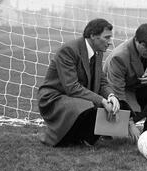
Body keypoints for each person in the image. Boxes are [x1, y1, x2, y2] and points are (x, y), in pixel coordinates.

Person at [38, 18, 121, 147]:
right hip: (54, 97)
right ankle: (64, 138)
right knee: (86, 105)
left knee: (118, 104)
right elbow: (72, 87)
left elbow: (102, 81)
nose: (110, 42)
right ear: (93, 35)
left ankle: (84, 138)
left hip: (75, 97)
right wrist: (102, 100)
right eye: (107, 38)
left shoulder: (98, 52)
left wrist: (111, 96)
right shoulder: (69, 51)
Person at [103, 23, 147, 140]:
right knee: (113, 134)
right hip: (115, 98)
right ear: (136, 40)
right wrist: (130, 123)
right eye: (145, 47)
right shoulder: (119, 57)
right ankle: (108, 129)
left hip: (134, 91)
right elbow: (117, 92)